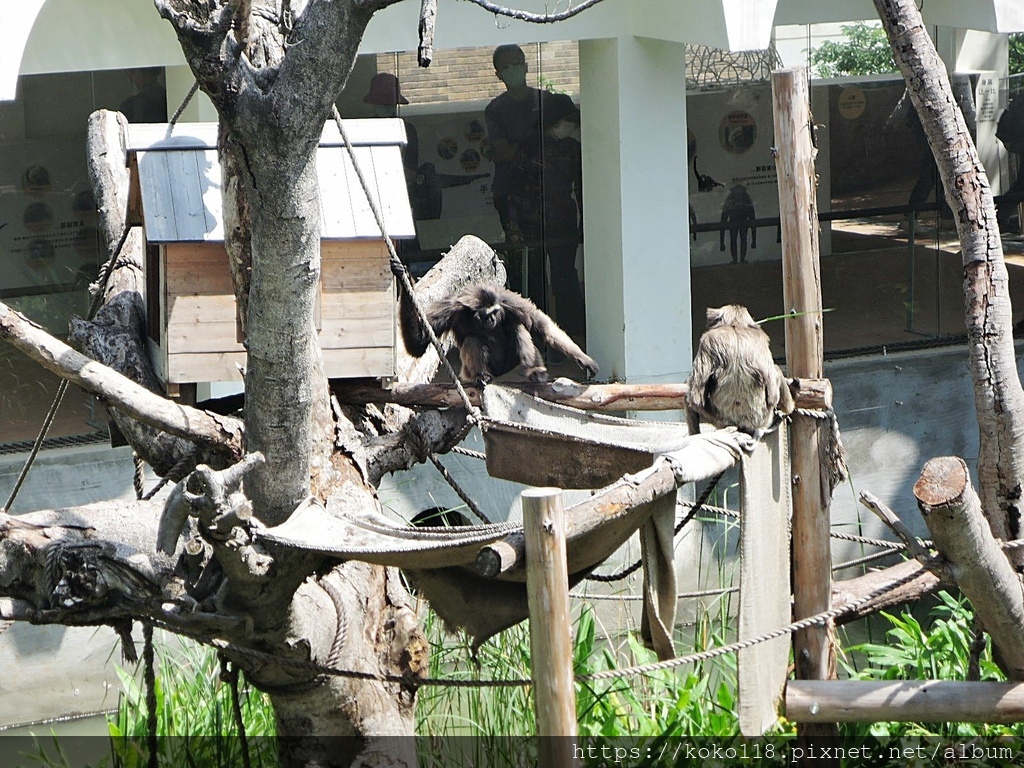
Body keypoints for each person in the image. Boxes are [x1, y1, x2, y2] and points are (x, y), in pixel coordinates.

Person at [506, 93, 586, 341]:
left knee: (564, 277)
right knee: (534, 281)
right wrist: (513, 227)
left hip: (563, 222)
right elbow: (514, 190)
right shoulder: (529, 148)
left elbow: (583, 188)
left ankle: (572, 334)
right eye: (567, 120)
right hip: (532, 224)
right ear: (553, 120)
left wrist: (585, 224)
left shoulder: (573, 149)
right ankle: (535, 336)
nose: (571, 126)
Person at [484, 44, 549, 305]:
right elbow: (503, 153)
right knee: (519, 262)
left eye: (516, 63)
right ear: (498, 74)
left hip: (544, 195)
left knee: (548, 263)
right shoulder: (496, 110)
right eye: (506, 67)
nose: (513, 70)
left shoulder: (547, 102)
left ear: (527, 65)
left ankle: (549, 324)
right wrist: (541, 140)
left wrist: (521, 146)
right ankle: (521, 320)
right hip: (510, 196)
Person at [997, 93, 1024, 234]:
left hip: (1018, 140)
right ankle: (1000, 218)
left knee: (1020, 185)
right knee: (1020, 186)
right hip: (1020, 140)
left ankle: (1000, 217)